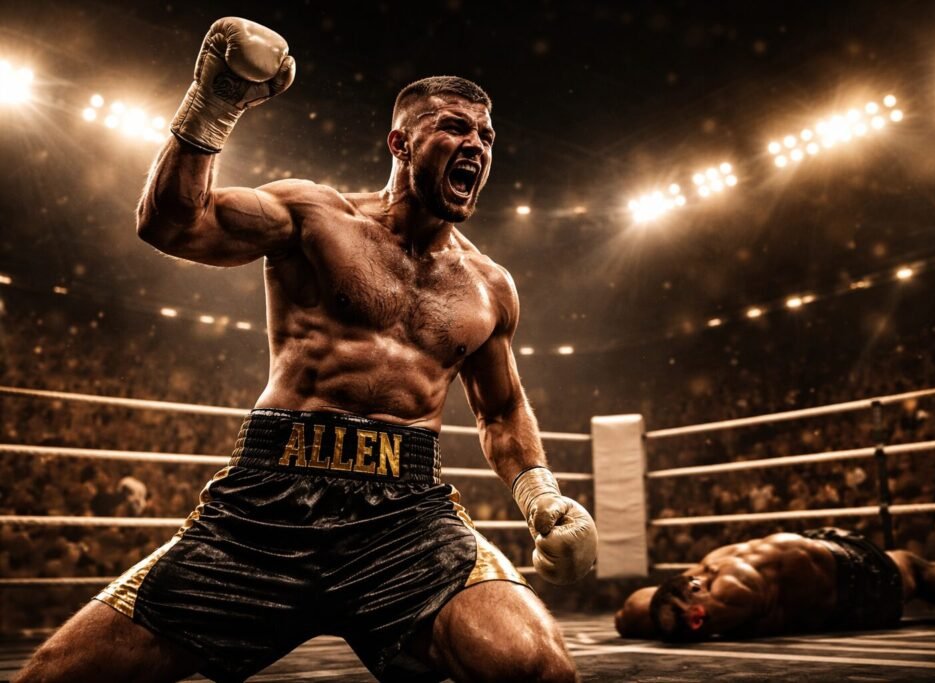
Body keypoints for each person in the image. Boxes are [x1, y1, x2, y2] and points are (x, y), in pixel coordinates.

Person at [17, 17, 596, 683]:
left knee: (540, 668)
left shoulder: (490, 286)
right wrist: (215, 100)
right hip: (265, 509)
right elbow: (172, 223)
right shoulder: (314, 215)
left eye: (487, 135)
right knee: (52, 676)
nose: (477, 144)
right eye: (455, 127)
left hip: (406, 516)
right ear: (401, 142)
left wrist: (542, 497)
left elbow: (501, 412)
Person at [615, 527, 935, 641]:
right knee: (904, 569)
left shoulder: (732, 588)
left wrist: (684, 624)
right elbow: (633, 611)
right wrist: (657, 619)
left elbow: (704, 615)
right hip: (816, 552)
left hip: (848, 574)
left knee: (911, 574)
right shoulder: (699, 574)